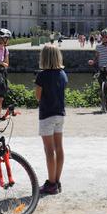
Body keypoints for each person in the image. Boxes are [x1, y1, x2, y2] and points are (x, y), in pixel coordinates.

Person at [35, 44, 68, 195]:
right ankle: (57, 181)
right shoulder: (63, 74)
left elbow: (38, 96)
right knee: (59, 148)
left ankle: (51, 183)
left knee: (49, 150)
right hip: (60, 114)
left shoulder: (42, 75)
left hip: (46, 115)